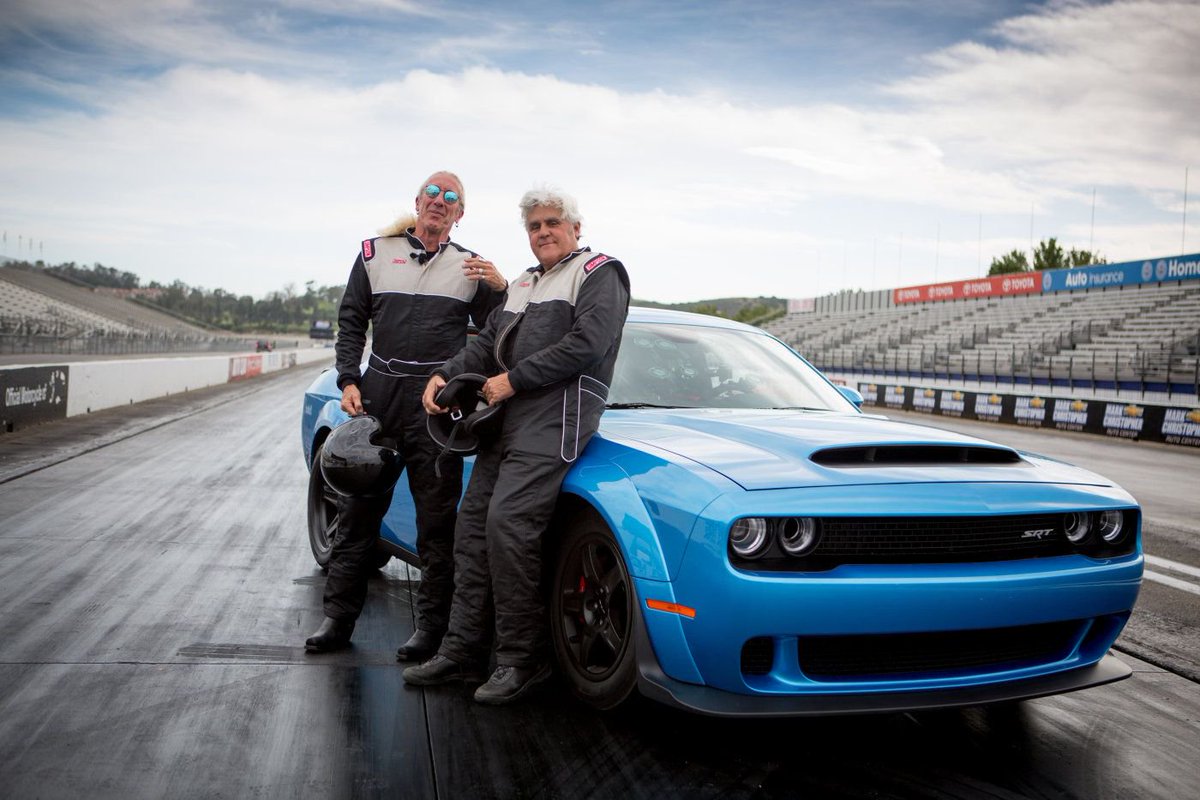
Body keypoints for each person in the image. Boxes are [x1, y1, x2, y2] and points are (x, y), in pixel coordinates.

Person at [402, 186, 630, 705]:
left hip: (556, 416)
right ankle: (462, 651)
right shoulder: (526, 281)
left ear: (575, 227)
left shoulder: (601, 271)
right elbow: (486, 343)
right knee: (472, 528)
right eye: (534, 226)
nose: (543, 232)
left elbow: (587, 345)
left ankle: (522, 662)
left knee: (509, 527)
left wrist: (515, 379)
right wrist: (446, 372)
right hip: (505, 417)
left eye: (552, 223)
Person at [305, 171, 507, 655]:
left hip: (436, 404)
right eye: (433, 193)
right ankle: (337, 620)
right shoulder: (375, 253)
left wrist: (500, 289)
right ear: (417, 202)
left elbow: (501, 331)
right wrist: (348, 378)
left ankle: (431, 629)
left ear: (460, 213)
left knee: (437, 524)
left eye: (451, 197)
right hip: (379, 395)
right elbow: (351, 320)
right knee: (357, 514)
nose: (440, 201)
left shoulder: (472, 268)